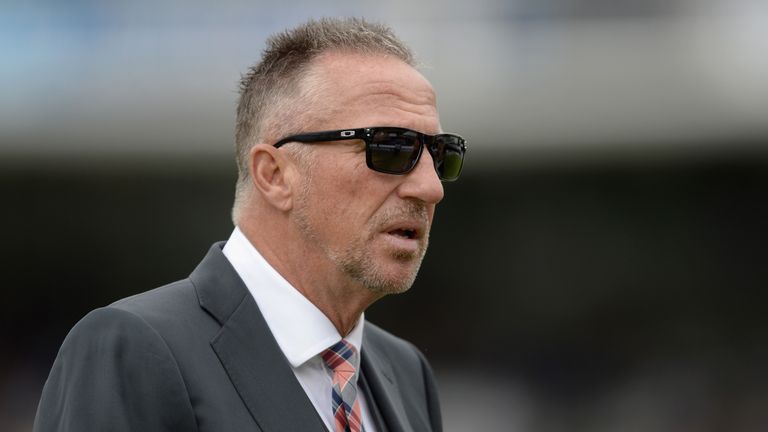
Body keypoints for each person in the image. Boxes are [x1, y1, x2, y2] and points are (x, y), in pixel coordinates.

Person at [33, 17, 466, 432]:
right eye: (391, 147)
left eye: (442, 156)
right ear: (274, 175)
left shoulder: (406, 372)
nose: (430, 188)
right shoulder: (134, 348)